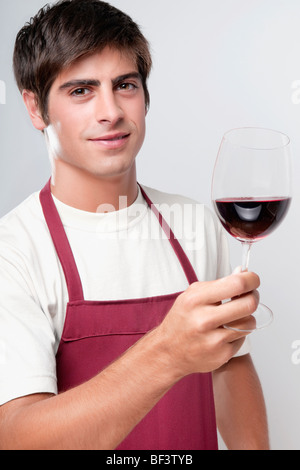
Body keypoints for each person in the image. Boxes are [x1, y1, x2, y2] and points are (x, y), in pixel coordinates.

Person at [0, 0, 269, 450]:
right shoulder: (15, 250)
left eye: (124, 85)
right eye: (81, 90)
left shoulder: (195, 224)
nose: (111, 112)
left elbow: (230, 366)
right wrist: (167, 353)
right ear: (35, 107)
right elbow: (17, 436)